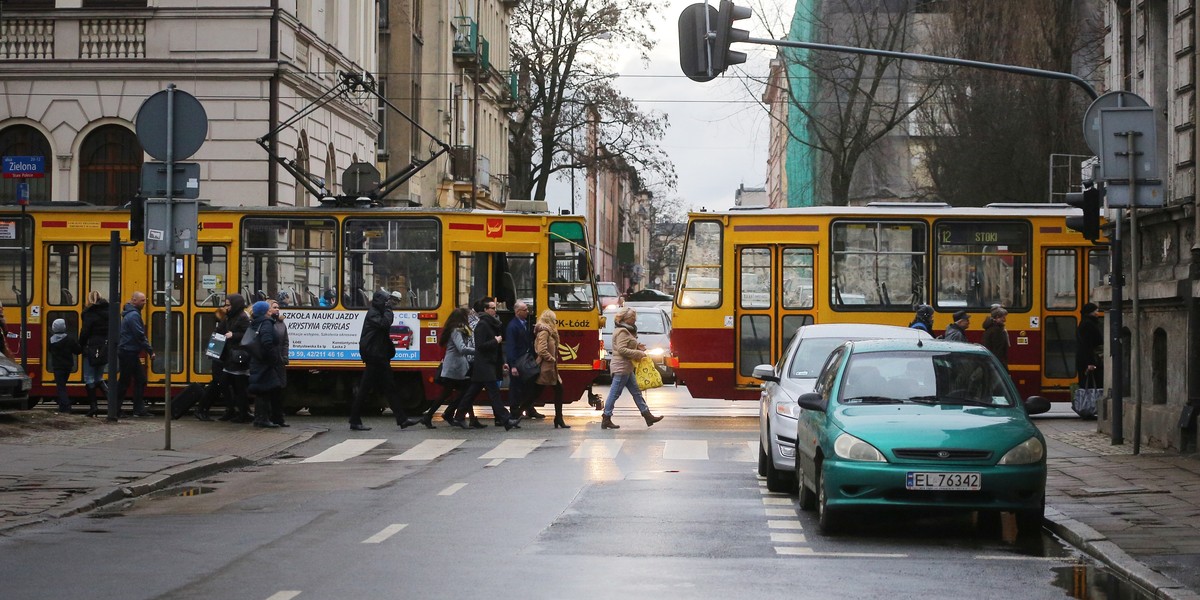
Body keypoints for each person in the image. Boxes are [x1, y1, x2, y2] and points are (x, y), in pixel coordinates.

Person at [350, 290, 421, 431]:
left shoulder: (377, 312)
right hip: (375, 357)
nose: (388, 303)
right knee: (368, 389)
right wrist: (388, 309)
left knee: (388, 388)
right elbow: (385, 324)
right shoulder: (373, 314)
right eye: (386, 301)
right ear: (380, 301)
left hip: (379, 356)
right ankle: (355, 420)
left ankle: (402, 419)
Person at [453, 298, 520, 430]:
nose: (495, 310)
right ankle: (506, 420)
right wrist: (495, 341)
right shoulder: (482, 325)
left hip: (489, 364)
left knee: (472, 392)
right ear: (485, 310)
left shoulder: (492, 324)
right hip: (484, 365)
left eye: (495, 308)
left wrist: (501, 363)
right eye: (492, 308)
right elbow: (480, 346)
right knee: (494, 393)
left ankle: (459, 416)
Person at [601, 307, 663, 429]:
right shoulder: (622, 332)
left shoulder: (626, 330)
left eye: (635, 318)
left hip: (627, 367)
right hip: (621, 367)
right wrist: (638, 353)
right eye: (632, 318)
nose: (634, 321)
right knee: (615, 393)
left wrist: (637, 346)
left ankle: (647, 415)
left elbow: (626, 345)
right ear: (626, 319)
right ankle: (606, 417)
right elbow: (621, 349)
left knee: (636, 392)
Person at [422, 307, 474, 429]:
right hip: (455, 367)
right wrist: (479, 351)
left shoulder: (458, 329)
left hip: (456, 366)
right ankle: (446, 414)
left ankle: (433, 416)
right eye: (467, 317)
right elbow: (461, 348)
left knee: (449, 393)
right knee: (465, 391)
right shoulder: (456, 331)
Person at [112, 291, 154, 421]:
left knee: (139, 379)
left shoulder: (131, 314)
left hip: (129, 351)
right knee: (125, 382)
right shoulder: (134, 316)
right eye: (142, 301)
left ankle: (136, 409)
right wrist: (150, 350)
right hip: (128, 352)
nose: (144, 303)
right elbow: (140, 335)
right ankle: (116, 410)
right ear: (134, 301)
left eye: (144, 300)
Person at [525, 309, 570, 429]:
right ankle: (516, 415)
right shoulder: (544, 331)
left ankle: (559, 419)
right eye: (554, 319)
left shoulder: (549, 331)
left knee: (558, 391)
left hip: (551, 368)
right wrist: (551, 358)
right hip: (546, 368)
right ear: (549, 320)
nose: (555, 322)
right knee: (535, 393)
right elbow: (541, 349)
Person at [504, 301, 544, 420]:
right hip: (518, 361)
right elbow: (510, 347)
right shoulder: (513, 326)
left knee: (528, 385)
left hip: (525, 360)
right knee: (516, 387)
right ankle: (514, 411)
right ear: (517, 312)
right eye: (525, 310)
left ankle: (529, 408)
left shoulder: (524, 323)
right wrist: (513, 365)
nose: (528, 312)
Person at [247, 301, 283, 428]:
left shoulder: (255, 322)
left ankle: (260, 418)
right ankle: (263, 419)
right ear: (263, 312)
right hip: (265, 362)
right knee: (266, 390)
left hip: (256, 360)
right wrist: (273, 358)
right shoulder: (266, 322)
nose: (270, 311)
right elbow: (267, 342)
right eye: (268, 310)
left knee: (261, 390)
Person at [219, 294, 253, 423]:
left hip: (238, 358)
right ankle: (233, 410)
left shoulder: (243, 317)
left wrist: (233, 335)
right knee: (225, 384)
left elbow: (248, 334)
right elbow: (221, 329)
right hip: (230, 356)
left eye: (228, 305)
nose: (226, 307)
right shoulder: (230, 317)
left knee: (239, 387)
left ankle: (243, 413)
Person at [195, 301, 230, 421]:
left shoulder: (223, 322)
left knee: (219, 385)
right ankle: (201, 409)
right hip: (220, 359)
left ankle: (204, 409)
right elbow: (216, 343)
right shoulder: (224, 323)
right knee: (217, 385)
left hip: (220, 358)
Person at [78, 291, 111, 417]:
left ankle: (93, 406)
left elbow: (85, 332)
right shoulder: (108, 312)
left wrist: (80, 345)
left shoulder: (89, 313)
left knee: (89, 378)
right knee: (99, 377)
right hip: (104, 348)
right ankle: (112, 403)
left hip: (91, 348)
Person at [48, 318, 81, 414]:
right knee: (62, 385)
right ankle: (62, 406)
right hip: (68, 366)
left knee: (61, 387)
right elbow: (78, 350)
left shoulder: (51, 340)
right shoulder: (69, 339)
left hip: (57, 367)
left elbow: (50, 350)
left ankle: (66, 407)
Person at [267, 299, 290, 426]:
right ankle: (270, 417)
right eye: (274, 307)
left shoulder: (281, 323)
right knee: (272, 390)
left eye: (278, 307)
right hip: (271, 361)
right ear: (268, 310)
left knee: (281, 389)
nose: (277, 309)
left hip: (280, 361)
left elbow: (285, 341)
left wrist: (285, 356)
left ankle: (279, 418)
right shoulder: (266, 323)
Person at [1076, 302, 1104, 387]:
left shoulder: (1086, 323)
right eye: (1096, 311)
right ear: (1090, 312)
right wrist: (1090, 363)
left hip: (1087, 358)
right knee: (1092, 383)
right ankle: (1091, 400)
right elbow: (1087, 345)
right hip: (1089, 360)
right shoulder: (1088, 324)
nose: (1097, 313)